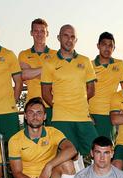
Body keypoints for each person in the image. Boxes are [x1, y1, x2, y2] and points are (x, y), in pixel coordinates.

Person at [41, 24, 97, 161]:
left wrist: (79, 102)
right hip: (61, 118)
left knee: (98, 150)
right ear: (59, 38)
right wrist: (60, 106)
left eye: (72, 37)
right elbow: (45, 93)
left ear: (76, 40)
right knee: (69, 158)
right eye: (65, 35)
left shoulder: (85, 61)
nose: (69, 39)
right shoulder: (49, 63)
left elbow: (91, 89)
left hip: (83, 117)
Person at [89, 32, 123, 141]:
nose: (107, 48)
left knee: (106, 149)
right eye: (104, 44)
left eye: (110, 45)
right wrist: (87, 115)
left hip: (109, 114)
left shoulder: (119, 64)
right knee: (90, 150)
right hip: (91, 114)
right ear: (98, 46)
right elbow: (82, 91)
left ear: (114, 48)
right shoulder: (89, 65)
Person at [18, 18, 56, 122]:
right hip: (32, 106)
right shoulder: (24, 54)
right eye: (36, 31)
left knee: (53, 137)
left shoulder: (56, 55)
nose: (39, 34)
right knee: (31, 138)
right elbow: (24, 75)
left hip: (52, 104)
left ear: (47, 33)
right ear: (31, 33)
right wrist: (48, 69)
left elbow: (57, 77)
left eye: (42, 31)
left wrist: (33, 72)